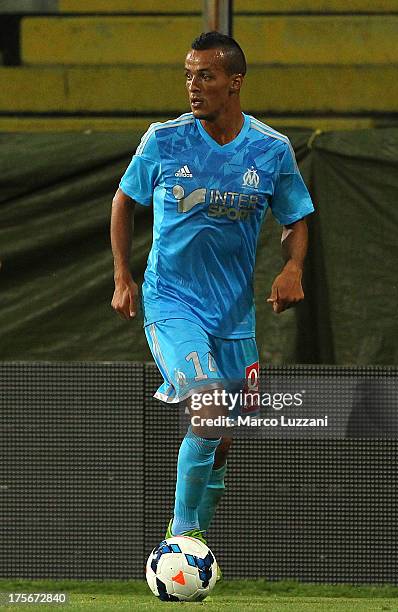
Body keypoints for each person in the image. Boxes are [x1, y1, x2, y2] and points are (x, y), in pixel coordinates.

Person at [110, 31, 314, 574]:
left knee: (224, 436)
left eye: (206, 76)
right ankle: (179, 540)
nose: (193, 86)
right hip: (171, 300)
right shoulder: (164, 140)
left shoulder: (270, 149)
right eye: (188, 75)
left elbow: (296, 216)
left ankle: (197, 539)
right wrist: (122, 276)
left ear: (235, 83)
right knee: (206, 405)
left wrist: (293, 267)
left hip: (233, 315)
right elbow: (124, 200)